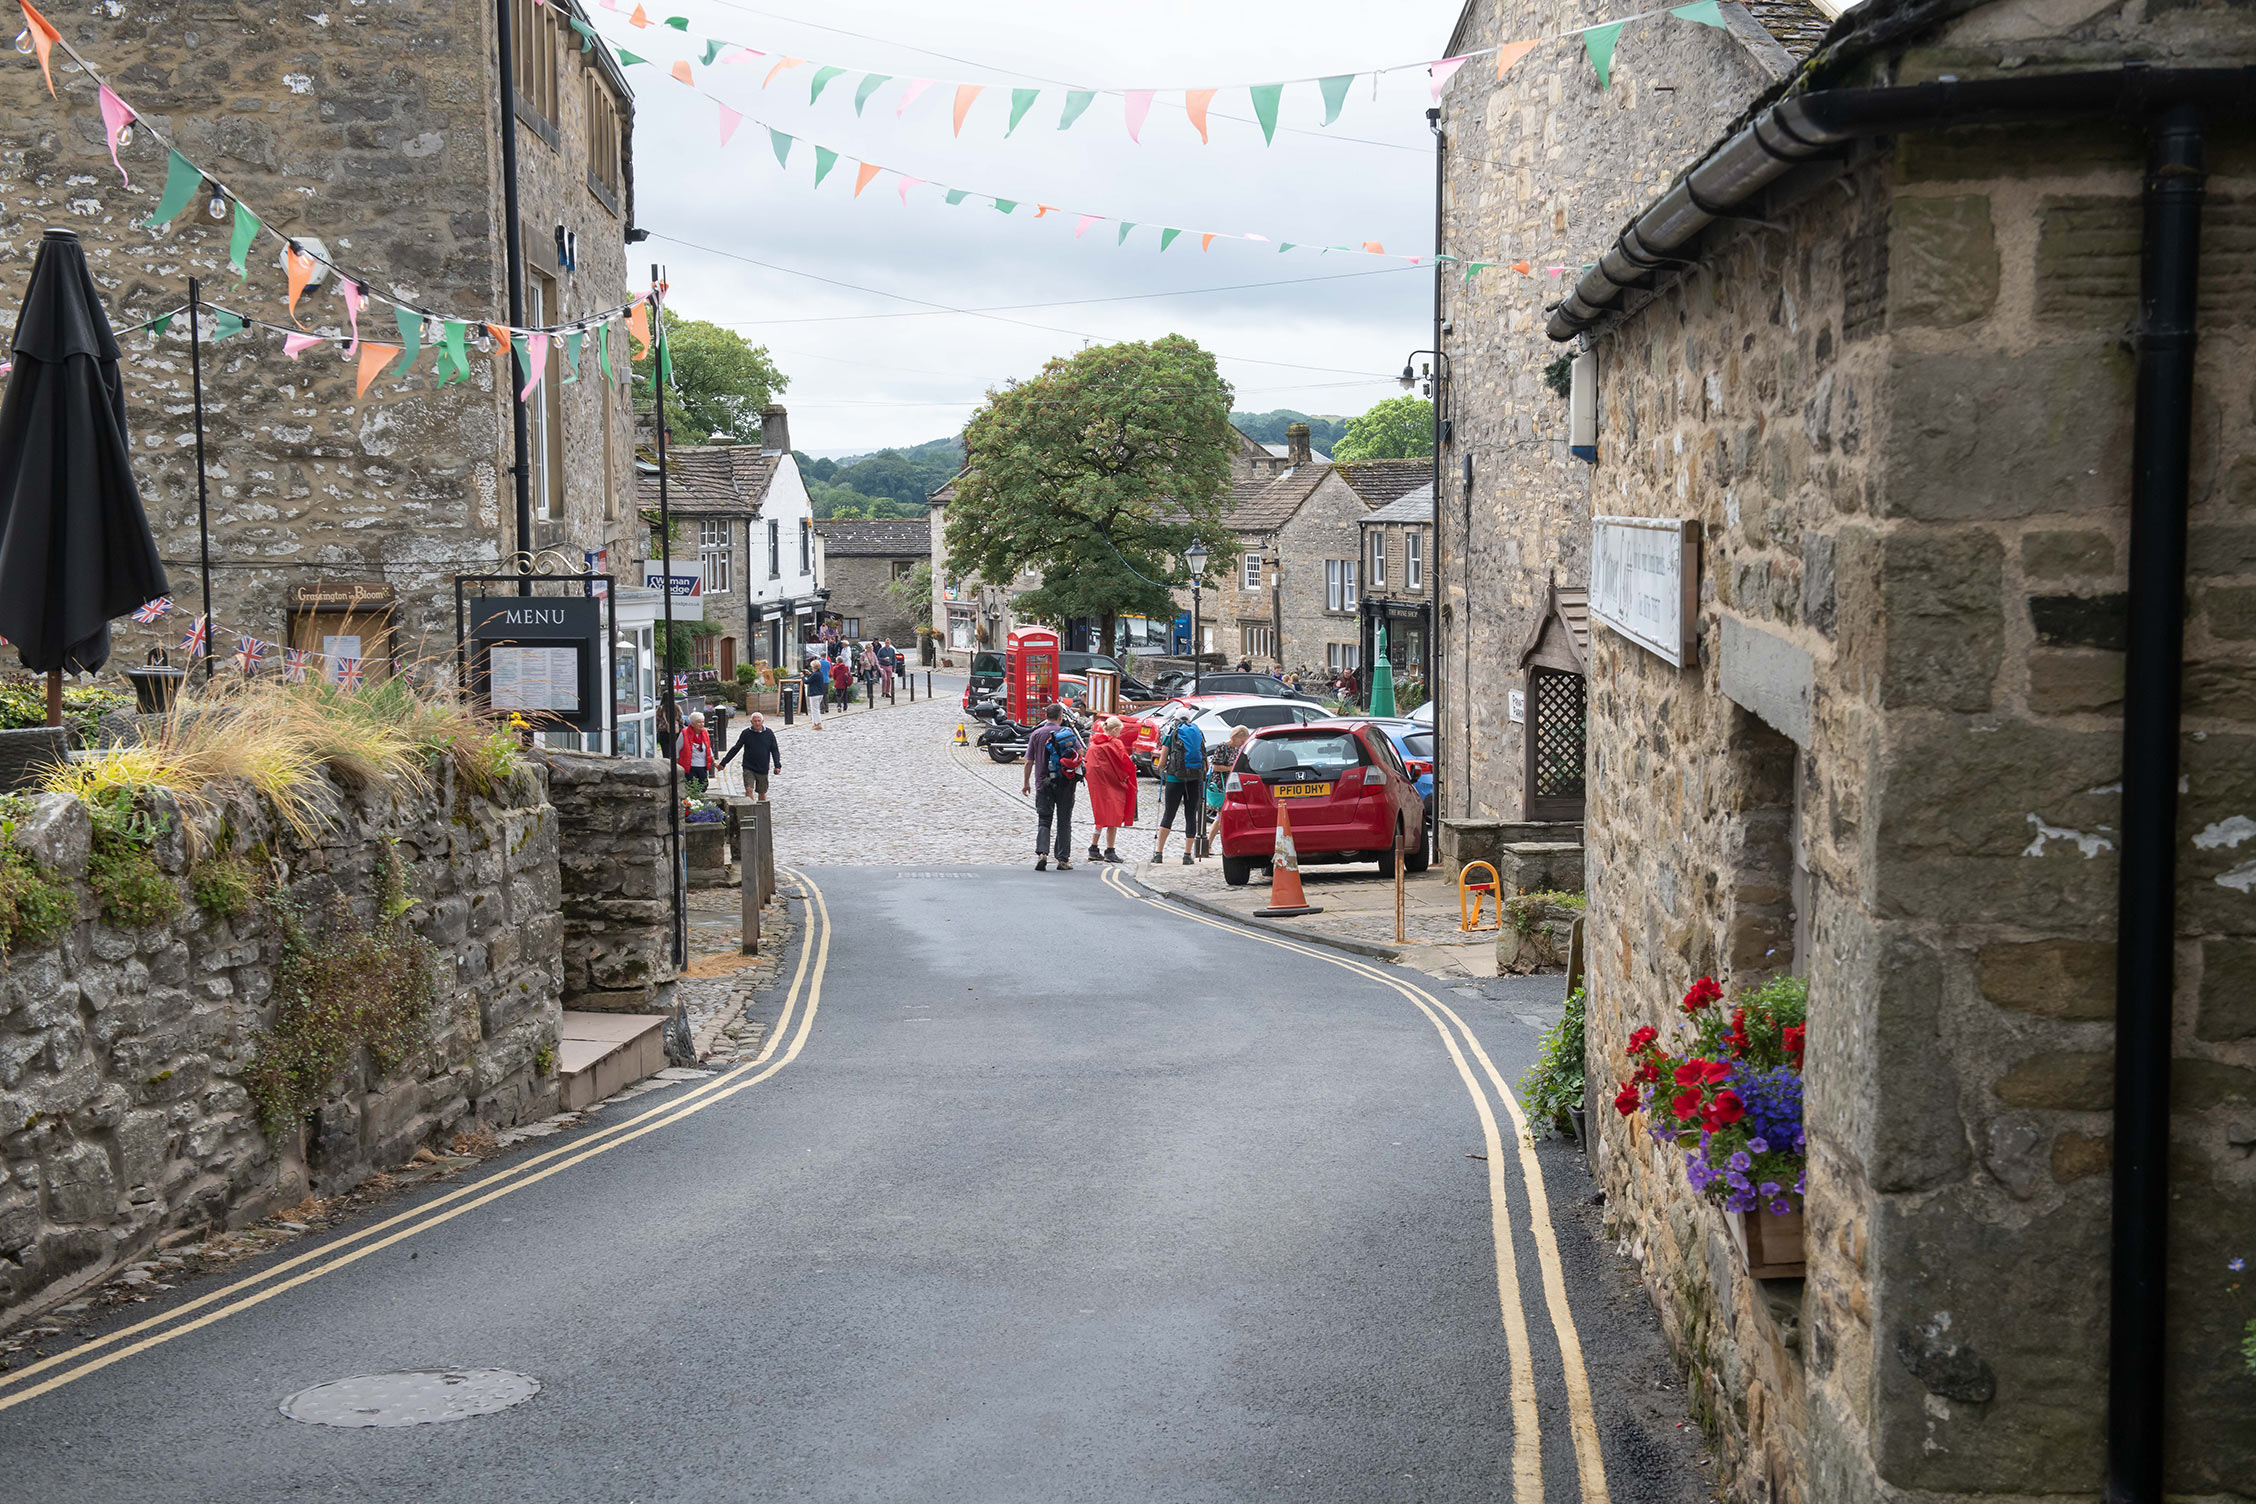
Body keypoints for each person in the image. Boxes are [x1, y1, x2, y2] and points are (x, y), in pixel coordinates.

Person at [1023, 704, 1081, 871]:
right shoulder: (1067, 734)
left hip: (1043, 783)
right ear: (1060, 717)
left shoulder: (1036, 734)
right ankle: (1063, 859)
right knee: (1064, 821)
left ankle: (1042, 853)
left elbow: (1029, 761)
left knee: (1044, 820)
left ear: (1046, 716)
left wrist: (1026, 783)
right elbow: (1081, 752)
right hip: (1065, 783)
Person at [1150, 712, 1207, 866]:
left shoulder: (1172, 733)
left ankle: (1158, 853)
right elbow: (1204, 757)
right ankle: (1187, 855)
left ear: (1175, 718)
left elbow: (1162, 762)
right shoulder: (1198, 732)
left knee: (1169, 814)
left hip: (1175, 779)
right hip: (1194, 779)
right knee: (1190, 815)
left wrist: (1162, 769)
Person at [1083, 715, 1138, 864]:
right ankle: (1110, 850)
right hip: (1114, 784)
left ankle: (1093, 848)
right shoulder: (1116, 744)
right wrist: (1127, 776)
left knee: (1100, 816)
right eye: (1119, 731)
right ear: (1114, 730)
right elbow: (1124, 763)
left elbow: (1090, 766)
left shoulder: (1094, 744)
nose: (1120, 734)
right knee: (1114, 816)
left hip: (1098, 786)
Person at [717, 711, 782, 799]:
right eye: (755, 721)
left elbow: (774, 750)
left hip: (763, 767)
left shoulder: (769, 733)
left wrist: (777, 765)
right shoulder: (746, 733)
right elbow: (736, 748)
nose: (757, 723)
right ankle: (751, 810)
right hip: (748, 766)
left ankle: (761, 811)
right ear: (751, 722)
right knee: (749, 790)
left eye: (759, 721)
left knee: (762, 792)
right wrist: (724, 762)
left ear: (762, 722)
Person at [676, 711, 714, 793]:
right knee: (692, 786)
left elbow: (708, 747)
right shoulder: (684, 733)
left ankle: (700, 803)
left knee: (703, 786)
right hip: (690, 766)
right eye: (699, 722)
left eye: (703, 722)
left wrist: (713, 761)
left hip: (702, 765)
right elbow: (677, 749)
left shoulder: (705, 733)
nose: (702, 724)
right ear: (692, 724)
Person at [656, 696, 682, 761]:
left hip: (663, 732)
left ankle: (667, 764)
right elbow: (681, 719)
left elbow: (657, 720)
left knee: (665, 751)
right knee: (674, 749)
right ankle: (674, 764)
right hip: (675, 731)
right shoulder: (676, 707)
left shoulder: (660, 708)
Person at [803, 659, 828, 727]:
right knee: (816, 709)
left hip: (814, 694)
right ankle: (815, 723)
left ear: (814, 667)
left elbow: (807, 681)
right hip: (820, 693)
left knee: (815, 709)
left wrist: (802, 677)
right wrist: (809, 673)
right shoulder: (819, 673)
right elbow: (812, 677)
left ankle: (817, 723)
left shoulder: (815, 674)